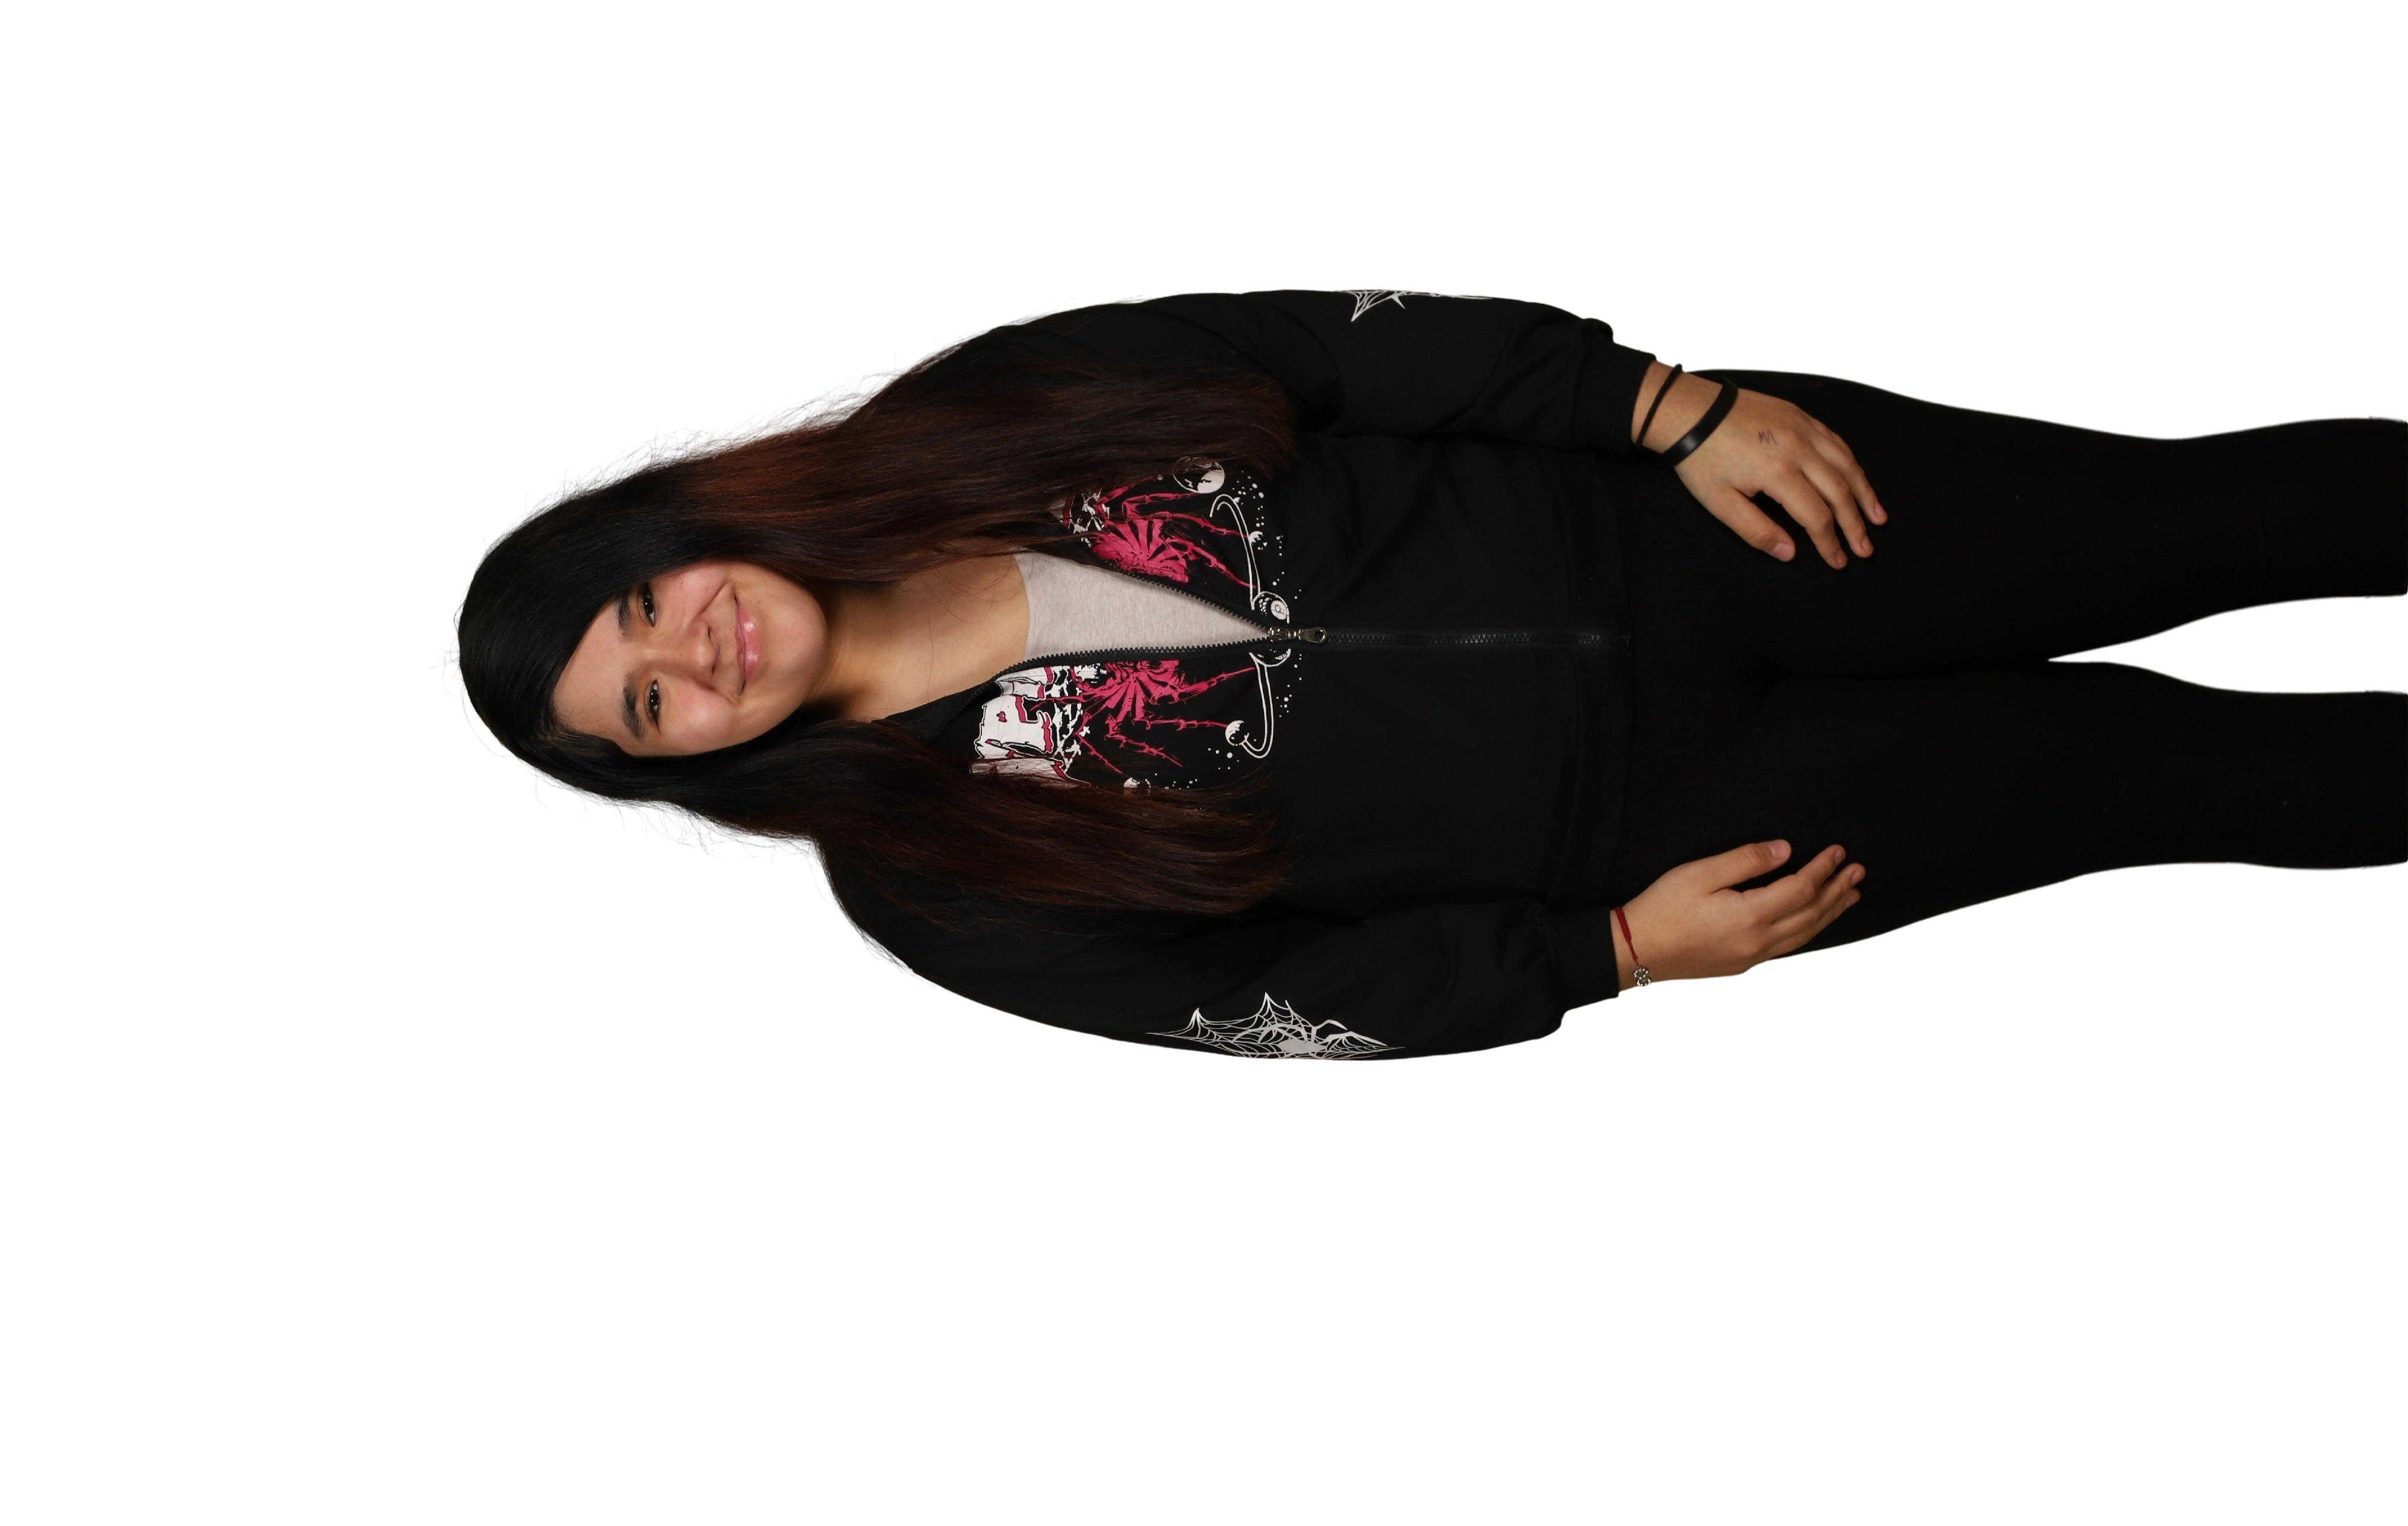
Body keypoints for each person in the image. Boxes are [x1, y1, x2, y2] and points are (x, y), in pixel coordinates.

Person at [432, 287, 2408, 1062]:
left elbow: (1341, 347)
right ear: (685, 766)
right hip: (1684, 825)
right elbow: (1275, 1001)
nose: (695, 651)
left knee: (2200, 519)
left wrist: (1661, 406)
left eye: (646, 606)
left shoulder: (978, 402)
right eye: (651, 705)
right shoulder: (933, 896)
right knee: (2181, 780)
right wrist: (1604, 958)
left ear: (677, 526)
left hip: (1688, 515)